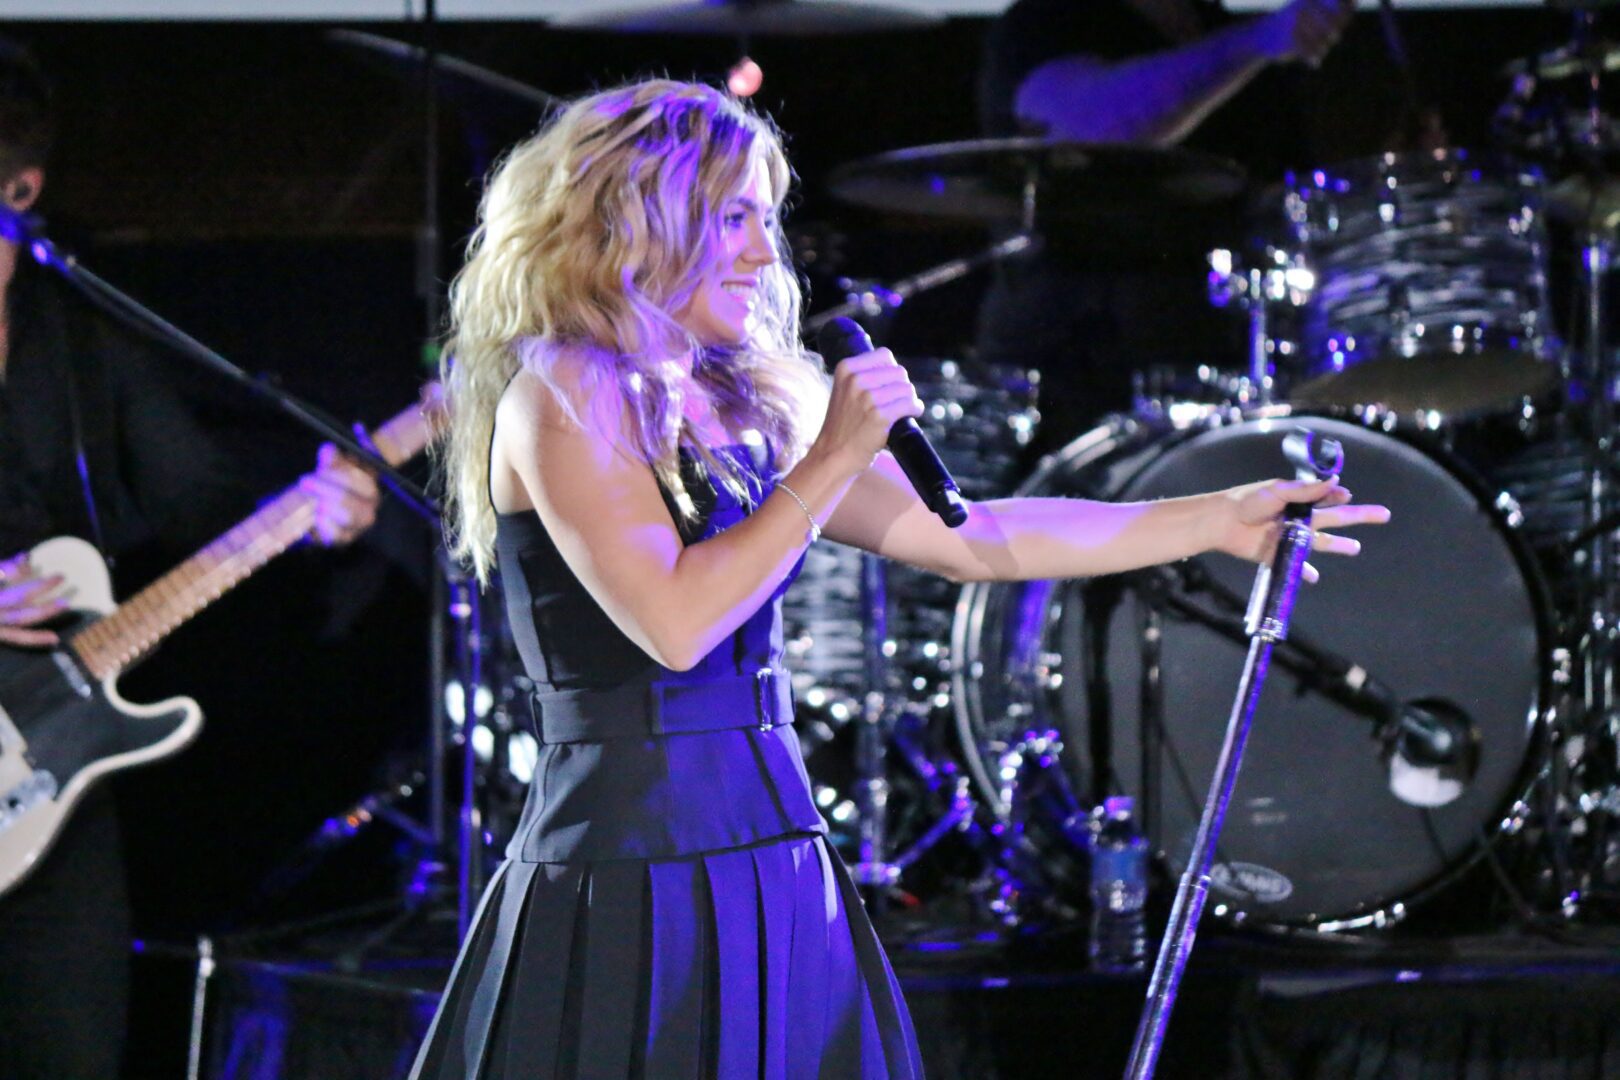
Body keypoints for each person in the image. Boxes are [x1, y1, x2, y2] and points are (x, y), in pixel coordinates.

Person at [417, 78, 1386, 1078]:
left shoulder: (732, 397)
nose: (764, 253)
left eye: (766, 220)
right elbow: (674, 622)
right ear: (636, 217)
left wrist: (1210, 518)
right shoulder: (564, 388)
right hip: (632, 852)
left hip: (771, 831)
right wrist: (832, 456)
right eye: (734, 218)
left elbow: (969, 535)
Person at [0, 38, 380, 1079]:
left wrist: (311, 520)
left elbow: (206, 507)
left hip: (48, 790)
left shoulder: (80, 336)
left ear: (21, 189)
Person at [976, 0, 1355, 440]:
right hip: (1076, 374)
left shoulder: (1226, 31)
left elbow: (1290, 206)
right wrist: (1256, 41)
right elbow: (1086, 129)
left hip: (1229, 372)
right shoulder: (1046, 21)